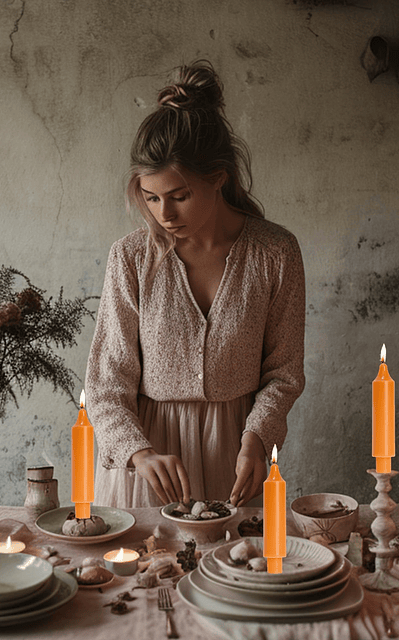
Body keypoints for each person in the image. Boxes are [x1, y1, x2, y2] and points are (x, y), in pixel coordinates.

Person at [85, 60, 305, 509]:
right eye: (151, 197)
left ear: (218, 179)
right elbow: (106, 386)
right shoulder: (130, 258)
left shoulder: (275, 252)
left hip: (236, 459)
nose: (163, 214)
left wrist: (258, 439)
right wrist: (139, 452)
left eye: (179, 196)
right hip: (147, 470)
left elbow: (284, 371)